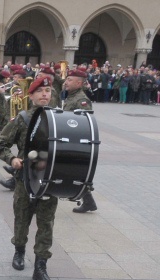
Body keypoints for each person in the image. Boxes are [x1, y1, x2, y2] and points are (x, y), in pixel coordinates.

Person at [0, 76, 56, 280]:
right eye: (40, 91)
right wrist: (12, 159)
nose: (45, 94)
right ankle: (19, 251)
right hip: (26, 179)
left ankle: (41, 266)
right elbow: (0, 143)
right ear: (31, 95)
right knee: (22, 219)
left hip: (49, 180)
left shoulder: (59, 119)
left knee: (46, 223)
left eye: (48, 90)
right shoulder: (22, 119)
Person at [63, 67, 97, 214]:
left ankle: (88, 201)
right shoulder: (71, 96)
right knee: (70, 172)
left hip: (76, 142)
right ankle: (88, 201)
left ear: (79, 83)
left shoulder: (81, 100)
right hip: (68, 139)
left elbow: (86, 123)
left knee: (74, 172)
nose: (66, 82)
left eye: (69, 80)